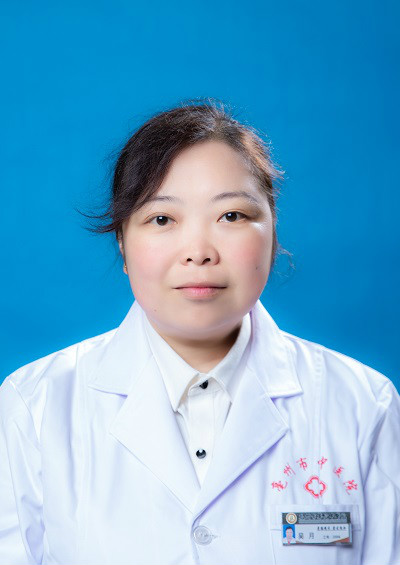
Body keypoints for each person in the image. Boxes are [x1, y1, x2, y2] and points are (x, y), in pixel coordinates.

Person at [0, 99, 399, 565]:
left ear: (272, 234)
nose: (198, 252)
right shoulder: (34, 406)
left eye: (231, 216)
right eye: (162, 219)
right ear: (122, 244)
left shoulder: (364, 406)